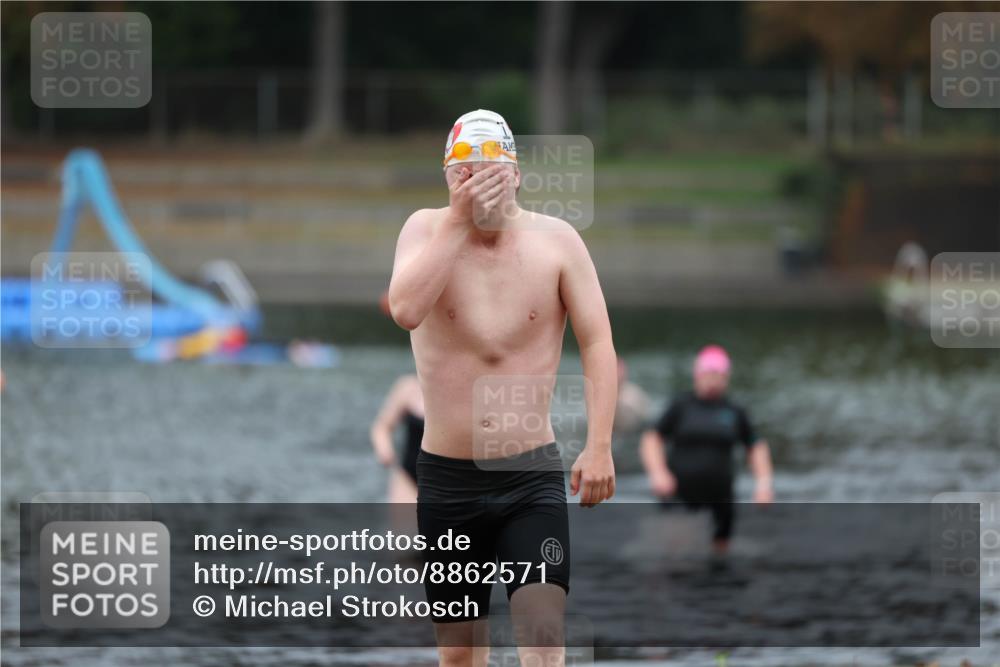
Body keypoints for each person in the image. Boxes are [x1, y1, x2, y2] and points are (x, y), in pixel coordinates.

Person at [388, 109, 617, 667]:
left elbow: (598, 343)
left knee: (542, 637)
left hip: (528, 476)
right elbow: (405, 310)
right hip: (447, 480)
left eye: (490, 171)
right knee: (461, 656)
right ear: (448, 178)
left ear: (515, 174)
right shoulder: (423, 229)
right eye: (463, 174)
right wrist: (457, 223)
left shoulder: (558, 242)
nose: (478, 184)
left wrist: (600, 444)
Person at [640, 345, 773, 555]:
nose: (712, 380)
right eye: (708, 374)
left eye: (718, 375)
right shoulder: (681, 406)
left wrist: (763, 483)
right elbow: (652, 439)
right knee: (677, 554)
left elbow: (756, 446)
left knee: (720, 556)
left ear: (726, 378)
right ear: (697, 375)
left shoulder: (734, 411)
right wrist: (658, 473)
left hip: (721, 495)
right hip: (679, 493)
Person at [370, 373, 425, 504]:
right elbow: (382, 427)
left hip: (447, 478)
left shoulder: (456, 390)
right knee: (405, 523)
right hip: (408, 476)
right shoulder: (409, 387)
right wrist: (385, 451)